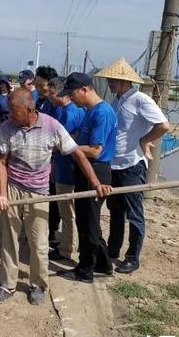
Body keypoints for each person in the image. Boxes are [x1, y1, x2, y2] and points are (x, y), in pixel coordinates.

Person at [0, 89, 111, 306]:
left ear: (30, 110)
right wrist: (2, 194)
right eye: (9, 112)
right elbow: (1, 163)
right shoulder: (7, 127)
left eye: (15, 113)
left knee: (39, 242)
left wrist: (96, 183)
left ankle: (38, 285)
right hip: (14, 189)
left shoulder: (51, 126)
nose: (10, 117)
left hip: (39, 192)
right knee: (10, 241)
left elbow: (78, 154)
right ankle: (7, 285)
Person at [95, 58, 170, 274]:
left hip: (132, 165)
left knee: (134, 213)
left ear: (125, 80)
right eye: (109, 79)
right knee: (115, 210)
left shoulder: (141, 100)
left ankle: (132, 257)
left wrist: (145, 140)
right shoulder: (116, 102)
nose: (110, 82)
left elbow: (163, 125)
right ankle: (113, 249)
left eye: (114, 79)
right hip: (114, 165)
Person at [60, 72, 117, 283]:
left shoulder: (103, 113)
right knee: (87, 221)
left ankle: (85, 271)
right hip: (85, 170)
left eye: (72, 94)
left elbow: (95, 151)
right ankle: (103, 264)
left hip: (97, 171)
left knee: (88, 224)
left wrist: (68, 149)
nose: (71, 98)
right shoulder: (89, 111)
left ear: (85, 89)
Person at [46, 77, 86, 262]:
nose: (50, 97)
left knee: (67, 210)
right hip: (62, 164)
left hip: (67, 166)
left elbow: (60, 142)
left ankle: (66, 248)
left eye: (52, 93)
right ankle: (67, 243)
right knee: (67, 210)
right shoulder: (70, 110)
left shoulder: (70, 113)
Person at [33, 66, 62, 246]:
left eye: (40, 83)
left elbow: (57, 131)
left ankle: (50, 230)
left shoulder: (54, 104)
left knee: (51, 193)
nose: (36, 87)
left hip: (51, 154)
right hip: (39, 152)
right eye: (35, 84)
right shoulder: (39, 101)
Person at [0, 76, 11, 142]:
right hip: (0, 118)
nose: (1, 86)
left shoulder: (11, 95)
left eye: (3, 83)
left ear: (7, 85)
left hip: (9, 118)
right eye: (0, 84)